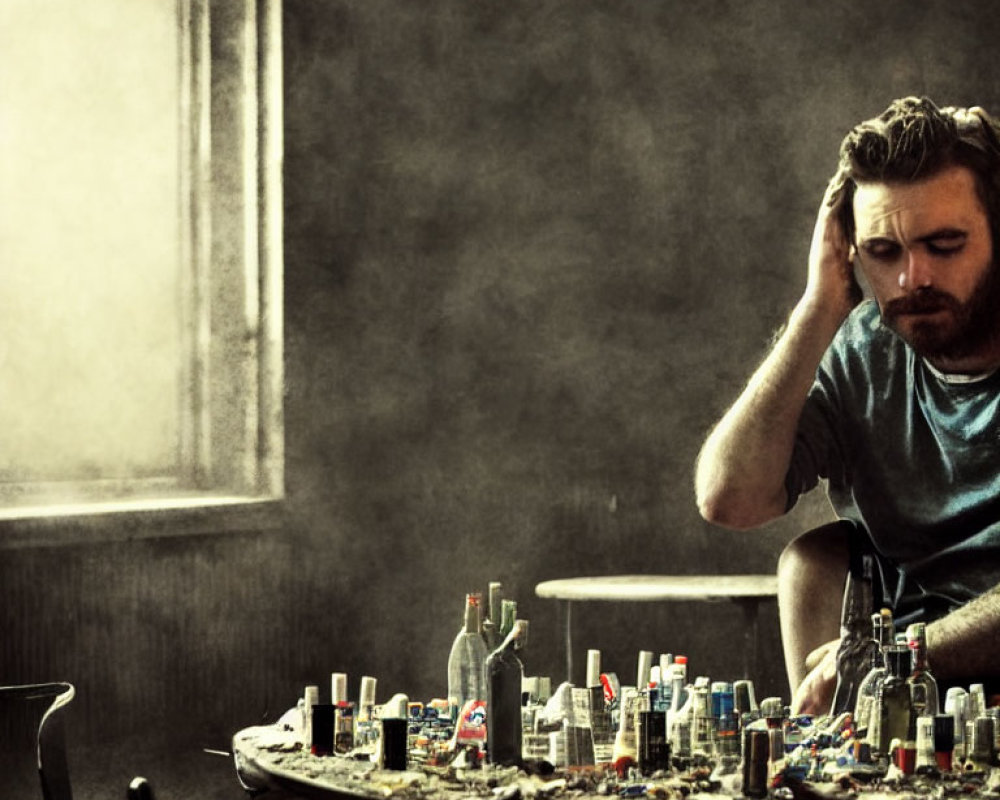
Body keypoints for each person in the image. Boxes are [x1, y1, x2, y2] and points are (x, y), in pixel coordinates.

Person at [694, 96, 1000, 715]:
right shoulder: (865, 347)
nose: (913, 278)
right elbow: (729, 497)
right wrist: (817, 309)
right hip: (902, 664)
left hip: (936, 651)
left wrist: (901, 654)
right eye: (884, 252)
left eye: (945, 244)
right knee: (815, 557)